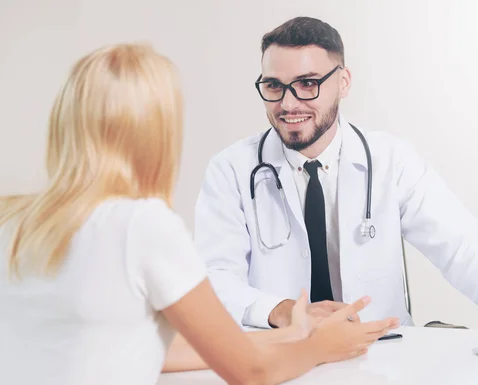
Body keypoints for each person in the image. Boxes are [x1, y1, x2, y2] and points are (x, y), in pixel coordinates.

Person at [0, 43, 399, 385]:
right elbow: (251, 373)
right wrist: (320, 348)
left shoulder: (12, 218)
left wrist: (291, 334)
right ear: (157, 132)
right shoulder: (141, 225)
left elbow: (163, 349)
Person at [194, 16, 478, 333]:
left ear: (343, 82)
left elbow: (461, 247)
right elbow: (214, 278)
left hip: (382, 355)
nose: (288, 103)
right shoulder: (231, 170)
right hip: (277, 354)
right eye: (274, 86)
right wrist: (282, 310)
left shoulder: (392, 159)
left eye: (308, 84)